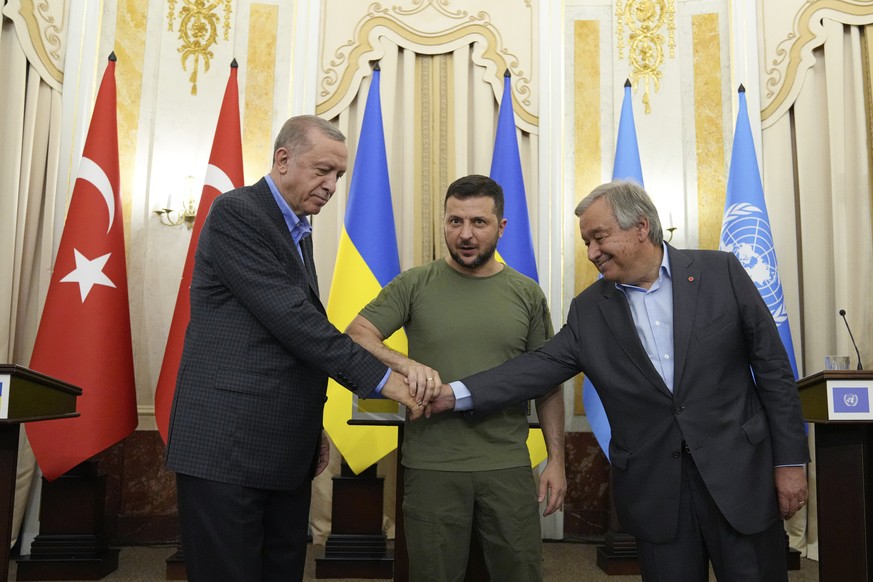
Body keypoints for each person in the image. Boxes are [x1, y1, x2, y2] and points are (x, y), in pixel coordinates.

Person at [428, 180, 809, 582]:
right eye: (586, 242)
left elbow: (774, 373)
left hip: (740, 476)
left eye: (599, 237)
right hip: (657, 493)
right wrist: (454, 395)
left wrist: (789, 462)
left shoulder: (720, 272)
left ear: (640, 227)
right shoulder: (591, 310)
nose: (591, 253)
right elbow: (535, 367)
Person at [165, 115, 432, 582]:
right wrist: (388, 381)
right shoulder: (238, 212)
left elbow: (283, 346)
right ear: (283, 159)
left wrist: (310, 427)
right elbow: (297, 325)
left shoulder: (298, 230)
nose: (331, 186)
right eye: (322, 170)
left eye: (339, 177)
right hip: (227, 447)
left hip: (281, 446)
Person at [347, 174, 566, 582]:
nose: (465, 234)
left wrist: (557, 460)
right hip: (432, 466)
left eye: (478, 223)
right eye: (454, 222)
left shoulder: (527, 293)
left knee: (520, 572)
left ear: (501, 227)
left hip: (508, 465)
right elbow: (357, 335)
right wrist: (405, 363)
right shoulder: (415, 283)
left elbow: (548, 383)